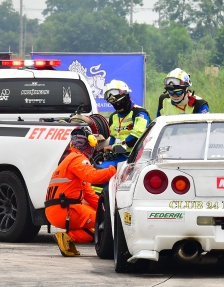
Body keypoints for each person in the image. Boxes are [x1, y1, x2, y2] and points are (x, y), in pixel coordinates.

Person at [44, 126, 117, 256]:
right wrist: (115, 170)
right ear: (87, 143)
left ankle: (68, 241)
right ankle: (68, 238)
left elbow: (88, 193)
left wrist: (105, 209)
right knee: (103, 223)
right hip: (65, 209)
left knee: (102, 216)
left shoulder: (71, 158)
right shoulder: (77, 159)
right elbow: (93, 176)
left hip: (60, 208)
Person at [104, 80, 151, 153]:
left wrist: (114, 148)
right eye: (114, 104)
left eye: (119, 103)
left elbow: (136, 138)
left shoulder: (140, 113)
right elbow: (113, 137)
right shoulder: (113, 116)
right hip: (118, 155)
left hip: (135, 157)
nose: (117, 105)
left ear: (126, 96)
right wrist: (108, 151)